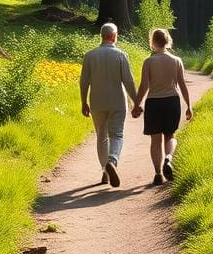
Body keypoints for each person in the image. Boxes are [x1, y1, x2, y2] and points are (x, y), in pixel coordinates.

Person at [79, 22, 137, 187]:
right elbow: (128, 81)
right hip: (118, 101)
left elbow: (84, 82)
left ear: (102, 36)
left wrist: (83, 102)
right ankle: (112, 160)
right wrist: (136, 101)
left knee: (101, 136)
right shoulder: (121, 55)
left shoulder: (90, 56)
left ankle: (105, 171)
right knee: (116, 135)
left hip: (97, 101)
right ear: (114, 36)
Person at [132, 28, 192, 186]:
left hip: (154, 103)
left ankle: (158, 173)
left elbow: (144, 86)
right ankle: (169, 157)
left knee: (155, 140)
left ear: (152, 42)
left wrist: (137, 104)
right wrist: (189, 106)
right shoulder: (176, 60)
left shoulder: (149, 62)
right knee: (170, 136)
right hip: (172, 101)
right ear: (168, 41)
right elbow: (182, 85)